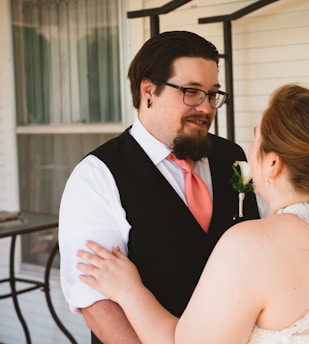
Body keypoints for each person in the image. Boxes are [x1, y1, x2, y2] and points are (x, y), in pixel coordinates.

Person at [76, 84, 309, 343]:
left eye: (256, 140)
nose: (248, 150)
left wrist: (129, 290)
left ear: (273, 163)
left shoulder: (251, 243)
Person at [59, 31, 260, 344]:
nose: (206, 108)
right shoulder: (96, 177)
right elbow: (96, 302)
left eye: (212, 94)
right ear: (149, 90)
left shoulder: (233, 156)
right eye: (192, 92)